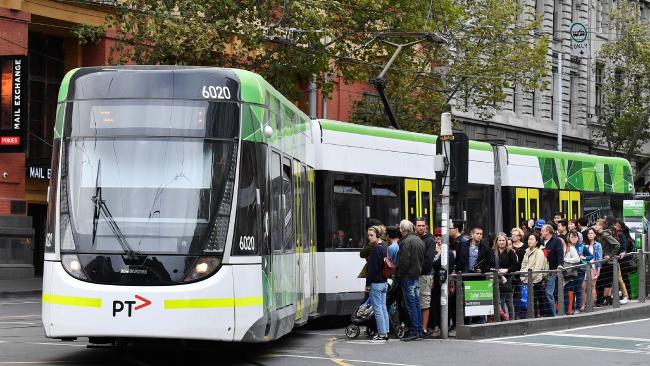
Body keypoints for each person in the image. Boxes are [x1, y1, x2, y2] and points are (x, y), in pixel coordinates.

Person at [395, 219, 425, 341]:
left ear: (403, 230)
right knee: (416, 304)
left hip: (407, 277)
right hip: (416, 275)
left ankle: (414, 330)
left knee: (411, 305)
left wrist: (399, 275)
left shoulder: (406, 242)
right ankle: (418, 330)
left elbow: (404, 262)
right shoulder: (418, 240)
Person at [483, 232, 519, 320]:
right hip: (494, 280)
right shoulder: (492, 252)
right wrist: (495, 270)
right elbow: (486, 266)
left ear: (506, 242)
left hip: (507, 280)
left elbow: (516, 266)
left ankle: (510, 320)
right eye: (499, 240)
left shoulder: (510, 252)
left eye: (503, 240)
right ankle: (502, 320)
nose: (501, 242)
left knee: (509, 302)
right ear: (496, 241)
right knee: (499, 302)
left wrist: (507, 270)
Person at [365, 227, 390, 342]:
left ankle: (381, 333)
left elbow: (372, 270)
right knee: (383, 308)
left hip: (376, 283)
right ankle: (386, 331)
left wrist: (367, 284)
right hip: (384, 282)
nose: (369, 237)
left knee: (377, 309)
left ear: (378, 235)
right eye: (368, 235)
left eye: (371, 235)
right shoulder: (385, 246)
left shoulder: (375, 249)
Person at [430, 229, 455, 337]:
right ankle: (439, 327)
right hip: (437, 282)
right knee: (437, 304)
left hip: (443, 281)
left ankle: (441, 327)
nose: (438, 237)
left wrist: (438, 254)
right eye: (436, 235)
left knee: (442, 304)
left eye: (440, 235)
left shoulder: (446, 251)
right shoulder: (434, 249)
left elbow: (435, 264)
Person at [415, 217, 436, 336]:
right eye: (419, 225)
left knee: (425, 302)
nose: (421, 227)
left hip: (424, 275)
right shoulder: (414, 238)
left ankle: (423, 328)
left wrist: (417, 270)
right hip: (414, 275)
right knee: (415, 302)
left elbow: (428, 260)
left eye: (423, 225)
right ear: (415, 226)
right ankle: (417, 326)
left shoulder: (430, 240)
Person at [520, 233, 547, 318]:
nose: (529, 241)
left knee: (536, 300)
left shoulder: (539, 252)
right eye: (529, 239)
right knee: (528, 301)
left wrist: (529, 279)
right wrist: (523, 277)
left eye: (532, 239)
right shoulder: (526, 252)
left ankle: (536, 318)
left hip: (536, 281)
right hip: (526, 280)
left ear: (537, 241)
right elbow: (523, 266)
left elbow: (537, 268)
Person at [595, 217, 620, 306]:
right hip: (603, 261)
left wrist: (610, 255)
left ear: (601, 226)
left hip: (607, 262)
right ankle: (606, 299)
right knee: (603, 281)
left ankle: (603, 299)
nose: (595, 226)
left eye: (596, 225)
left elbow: (617, 244)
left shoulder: (605, 235)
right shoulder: (600, 235)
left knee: (604, 281)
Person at [540, 224, 564, 316]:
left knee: (549, 292)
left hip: (552, 270)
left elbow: (560, 253)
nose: (541, 232)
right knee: (543, 292)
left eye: (542, 230)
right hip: (542, 271)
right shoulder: (542, 241)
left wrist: (560, 265)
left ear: (547, 231)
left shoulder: (556, 241)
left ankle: (553, 314)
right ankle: (546, 313)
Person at [581, 228, 602, 311]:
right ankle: (583, 304)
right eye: (589, 233)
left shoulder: (598, 245)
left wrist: (598, 269)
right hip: (585, 267)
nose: (590, 235)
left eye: (592, 233)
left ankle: (592, 304)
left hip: (594, 268)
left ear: (595, 235)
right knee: (583, 287)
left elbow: (599, 258)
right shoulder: (583, 245)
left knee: (592, 286)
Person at [562, 231, 581, 314]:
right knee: (565, 293)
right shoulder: (560, 249)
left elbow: (577, 259)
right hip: (562, 274)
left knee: (570, 292)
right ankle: (566, 310)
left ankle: (570, 310)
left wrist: (566, 260)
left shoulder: (571, 248)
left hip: (570, 274)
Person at [612, 220, 630, 305]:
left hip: (616, 260)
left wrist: (623, 252)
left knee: (619, 278)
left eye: (618, 226)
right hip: (610, 260)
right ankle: (612, 296)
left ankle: (625, 296)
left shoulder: (621, 235)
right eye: (615, 225)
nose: (616, 227)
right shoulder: (609, 233)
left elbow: (624, 248)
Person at [511, 228, 527, 319]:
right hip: (512, 273)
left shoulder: (524, 246)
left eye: (515, 235)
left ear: (520, 236)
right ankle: (514, 314)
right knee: (512, 296)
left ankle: (521, 314)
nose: (513, 236)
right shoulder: (510, 245)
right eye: (512, 234)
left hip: (521, 273)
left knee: (521, 295)